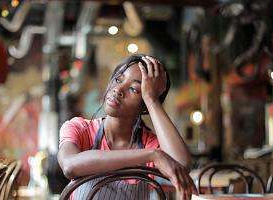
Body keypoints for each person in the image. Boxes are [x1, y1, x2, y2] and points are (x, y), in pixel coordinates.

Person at [58, 54, 196, 199]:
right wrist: (152, 155)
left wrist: (152, 100)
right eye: (118, 79)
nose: (118, 89)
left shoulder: (148, 143)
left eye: (134, 89)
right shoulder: (79, 128)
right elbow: (70, 165)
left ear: (144, 106)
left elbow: (181, 164)